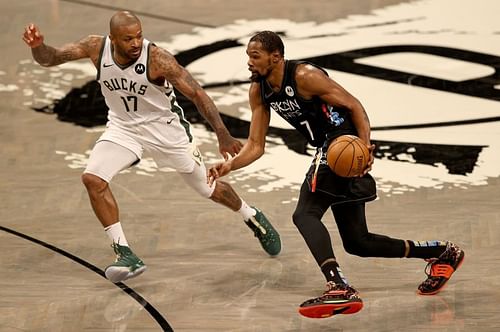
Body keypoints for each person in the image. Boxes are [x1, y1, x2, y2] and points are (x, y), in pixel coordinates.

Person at [208, 31, 464, 318]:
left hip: (341, 144)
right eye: (248, 56)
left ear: (276, 57)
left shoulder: (305, 76)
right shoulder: (260, 90)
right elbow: (256, 145)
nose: (249, 62)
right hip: (332, 150)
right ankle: (443, 252)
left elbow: (354, 106)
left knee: (304, 214)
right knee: (358, 242)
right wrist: (229, 166)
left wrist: (365, 145)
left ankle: (338, 286)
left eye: (255, 56)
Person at [22, 12, 281, 284]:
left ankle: (251, 217)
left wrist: (223, 134)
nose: (136, 43)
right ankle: (125, 254)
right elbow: (50, 58)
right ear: (113, 39)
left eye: (139, 36)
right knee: (93, 179)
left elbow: (197, 93)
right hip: (123, 129)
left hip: (166, 131)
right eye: (128, 38)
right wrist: (37, 46)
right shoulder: (95, 47)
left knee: (208, 188)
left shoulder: (157, 59)